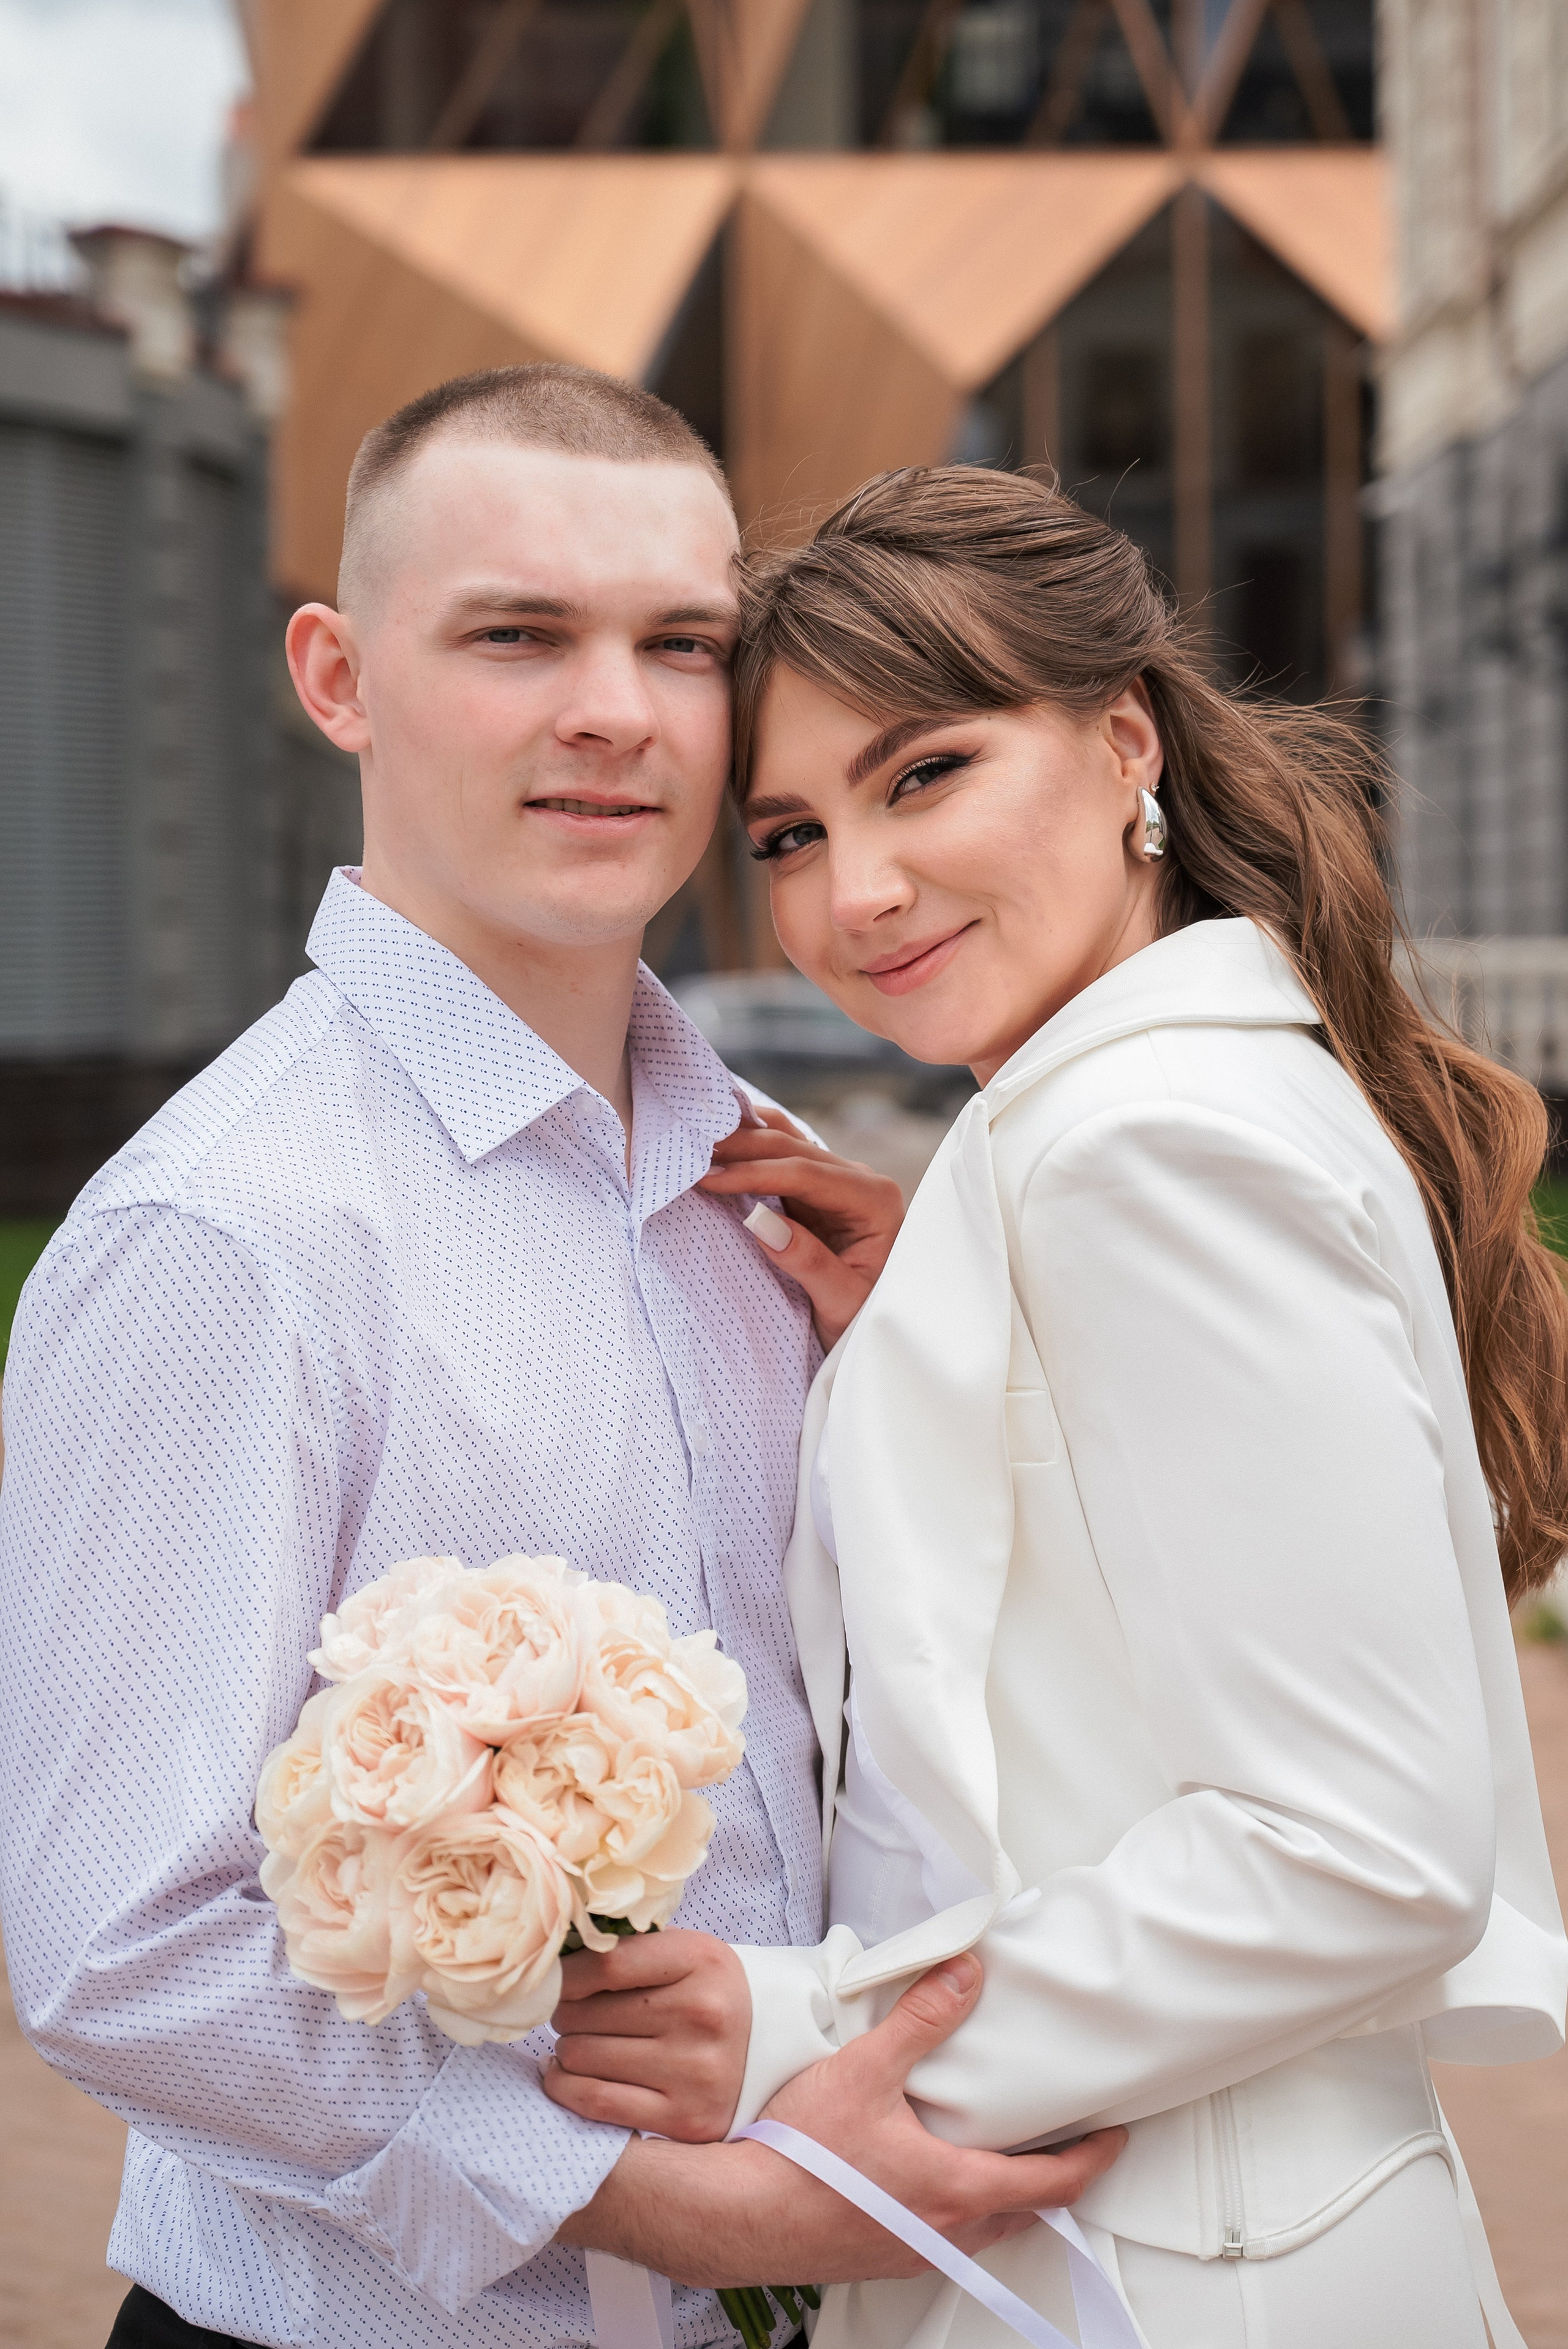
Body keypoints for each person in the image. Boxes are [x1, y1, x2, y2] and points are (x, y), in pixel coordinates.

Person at [0, 383, 1122, 2349]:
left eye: (681, 645)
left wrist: (949, 1389)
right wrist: (675, 2205)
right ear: (339, 677)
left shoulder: (778, 1198)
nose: (616, 711)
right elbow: (122, 1945)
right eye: (519, 634)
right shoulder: (225, 1236)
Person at [543, 465, 1568, 2348]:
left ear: (1121, 746)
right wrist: (939, 1322)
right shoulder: (1086, 1142)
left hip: (1190, 2268)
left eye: (924, 773)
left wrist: (808, 2029)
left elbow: (1366, 1848)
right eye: (785, 833)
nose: (857, 889)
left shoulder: (1152, 1150)